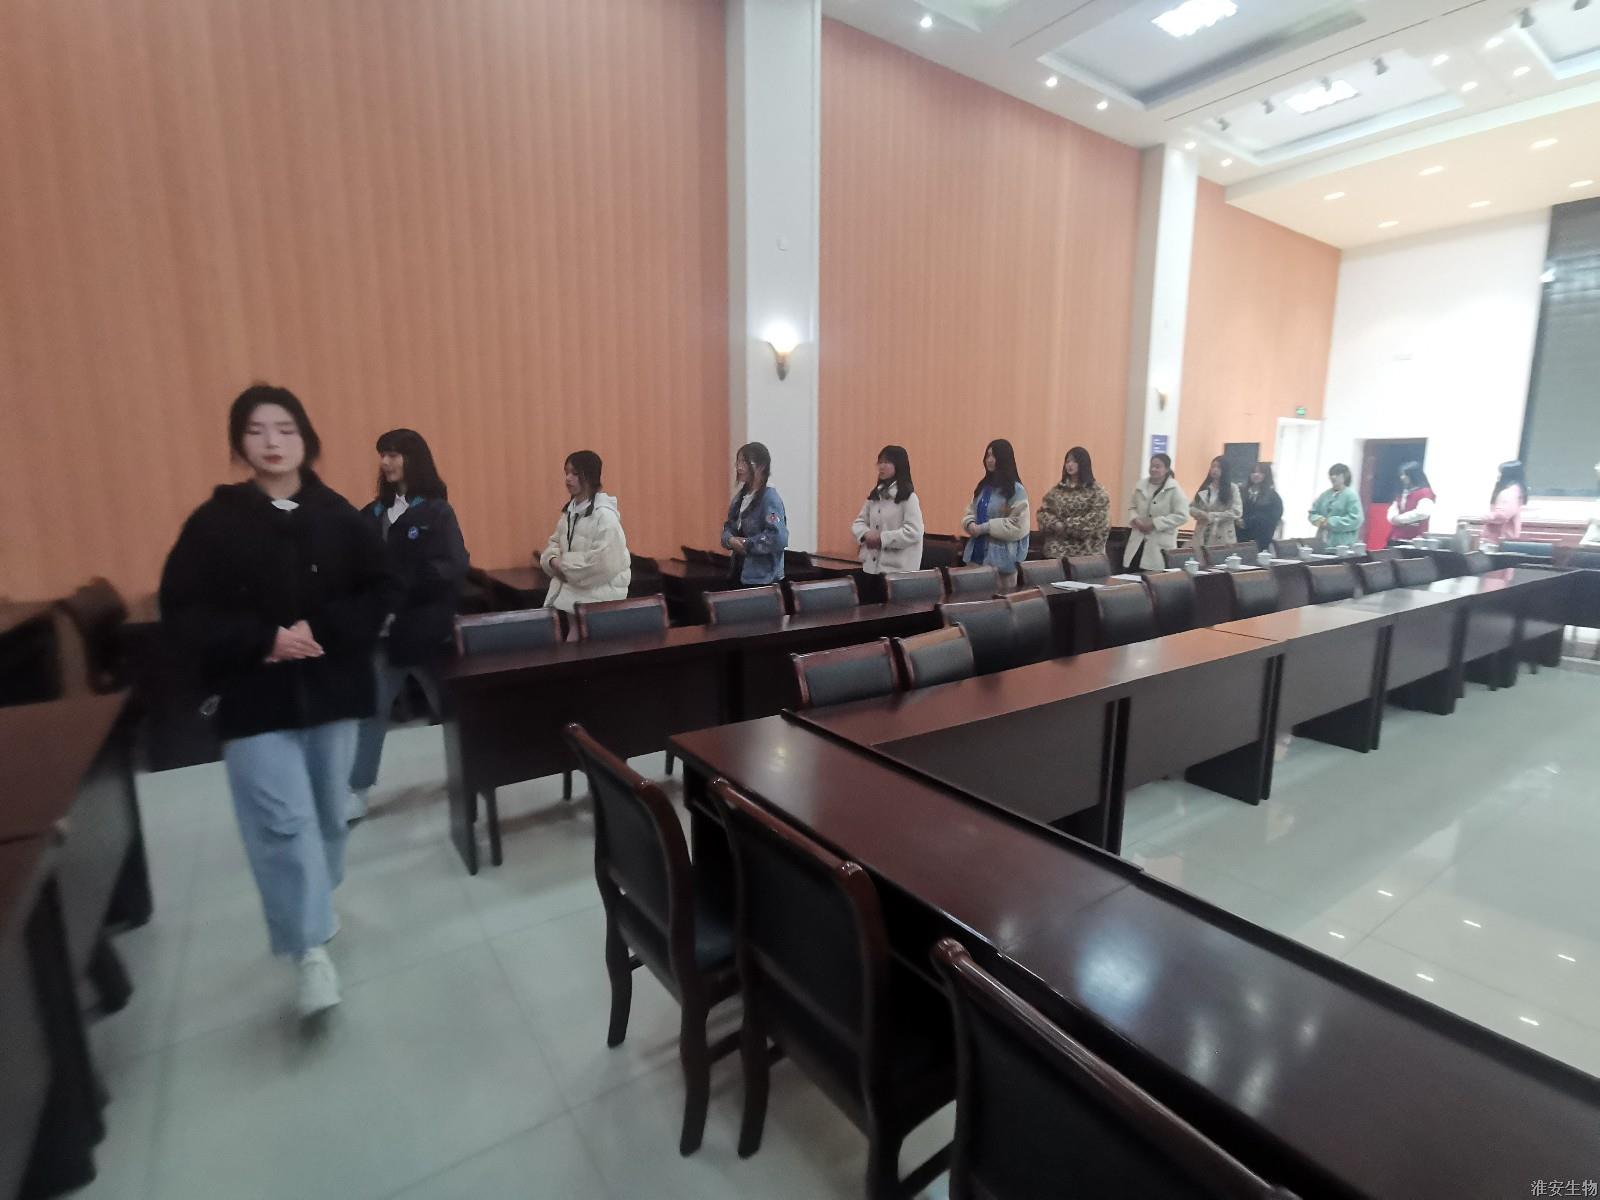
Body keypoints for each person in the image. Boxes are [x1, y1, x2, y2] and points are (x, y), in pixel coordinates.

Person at [160, 384, 387, 1018]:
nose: (272, 442)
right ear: (239, 444)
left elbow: (380, 590)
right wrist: (263, 640)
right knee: (282, 825)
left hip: (332, 692)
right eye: (256, 430)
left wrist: (324, 628)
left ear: (305, 439)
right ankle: (309, 951)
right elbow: (182, 611)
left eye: (285, 429)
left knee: (328, 816)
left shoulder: (339, 516)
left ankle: (318, 899)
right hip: (253, 699)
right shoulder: (214, 523)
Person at [348, 429, 469, 822]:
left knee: (451, 708)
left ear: (413, 459)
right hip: (386, 635)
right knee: (371, 711)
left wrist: (406, 583)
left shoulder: (436, 512)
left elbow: (454, 565)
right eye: (383, 454)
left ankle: (472, 772)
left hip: (427, 630)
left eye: (394, 454)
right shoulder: (372, 514)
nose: (386, 462)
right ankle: (357, 790)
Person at [540, 450, 631, 612]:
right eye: (566, 472)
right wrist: (552, 560)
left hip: (596, 604)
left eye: (575, 473)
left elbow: (602, 566)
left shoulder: (605, 517)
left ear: (589, 477)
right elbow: (553, 545)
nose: (568, 478)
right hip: (568, 597)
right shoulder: (570, 512)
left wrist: (563, 565)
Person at [961, 439, 1031, 590]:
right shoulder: (983, 487)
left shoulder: (1016, 490)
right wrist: (970, 523)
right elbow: (971, 510)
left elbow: (1018, 525)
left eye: (994, 456)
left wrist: (985, 528)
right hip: (976, 556)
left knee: (1000, 601)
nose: (989, 460)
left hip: (1003, 561)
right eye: (987, 455)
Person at [851, 444, 924, 575]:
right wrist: (866, 534)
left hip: (897, 571)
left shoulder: (908, 497)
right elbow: (859, 522)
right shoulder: (875, 495)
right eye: (880, 462)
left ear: (899, 465)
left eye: (887, 462)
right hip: (871, 567)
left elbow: (914, 532)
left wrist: (882, 538)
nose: (881, 466)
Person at [722, 441, 788, 585]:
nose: (739, 467)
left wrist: (747, 544)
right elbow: (729, 526)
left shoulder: (770, 498)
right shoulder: (740, 497)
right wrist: (729, 539)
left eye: (745, 463)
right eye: (738, 462)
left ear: (761, 466)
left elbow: (777, 537)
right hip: (740, 571)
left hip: (763, 577)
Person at [1037, 446, 1110, 560]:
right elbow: (1043, 514)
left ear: (1083, 463)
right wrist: (1055, 524)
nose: (1070, 465)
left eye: (1074, 461)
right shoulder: (1057, 490)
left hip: (1085, 555)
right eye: (1067, 461)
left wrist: (1065, 526)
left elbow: (1096, 521)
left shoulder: (1096, 491)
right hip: (1056, 554)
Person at [1125, 453, 1190, 570]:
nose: (1153, 469)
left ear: (1166, 469)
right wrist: (1136, 520)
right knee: (1130, 574)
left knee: (1153, 576)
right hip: (1138, 541)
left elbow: (1183, 515)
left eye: (1158, 466)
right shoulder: (1140, 486)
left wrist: (1155, 523)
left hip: (1160, 544)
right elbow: (1132, 507)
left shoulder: (1174, 489)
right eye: (1151, 466)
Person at [1190, 455, 1242, 550]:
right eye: (1213, 466)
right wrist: (1200, 513)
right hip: (1202, 533)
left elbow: (1236, 511)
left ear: (1225, 470)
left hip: (1223, 534)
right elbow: (1192, 507)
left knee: (1219, 557)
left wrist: (1212, 515)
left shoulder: (1232, 488)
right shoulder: (1205, 487)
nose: (1215, 469)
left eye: (1218, 467)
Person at [1308, 463, 1363, 548]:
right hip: (1322, 544)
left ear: (1345, 476)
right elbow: (1312, 513)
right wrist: (1319, 520)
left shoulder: (1351, 495)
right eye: (1331, 474)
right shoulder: (1324, 495)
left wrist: (1331, 522)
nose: (1333, 477)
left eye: (1337, 474)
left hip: (1343, 545)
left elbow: (1356, 519)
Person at [1387, 461, 1436, 544]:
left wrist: (1399, 519)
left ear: (1413, 475)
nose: (1402, 477)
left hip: (1416, 539)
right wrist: (1393, 518)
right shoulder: (1401, 492)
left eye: (1404, 475)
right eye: (1401, 475)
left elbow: (1423, 513)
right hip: (1397, 537)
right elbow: (1393, 509)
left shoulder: (1425, 492)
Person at [1240, 463, 1284, 553]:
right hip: (1241, 536)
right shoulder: (1241, 491)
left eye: (1260, 472)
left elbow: (1274, 517)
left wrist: (1249, 521)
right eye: (1253, 472)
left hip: (1261, 538)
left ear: (1266, 475)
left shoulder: (1273, 496)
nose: (1256, 475)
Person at [1482, 460, 1528, 547]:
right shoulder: (1516, 491)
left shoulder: (1509, 493)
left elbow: (1502, 515)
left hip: (1498, 540)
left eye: (1501, 473)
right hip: (1503, 540)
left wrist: (1487, 516)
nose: (1498, 476)